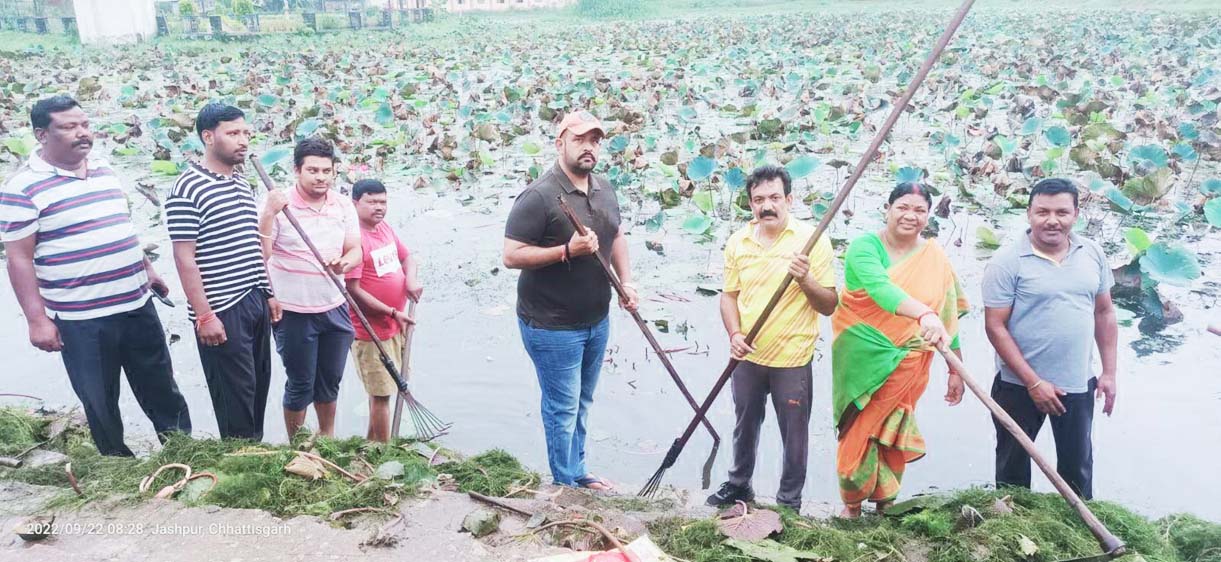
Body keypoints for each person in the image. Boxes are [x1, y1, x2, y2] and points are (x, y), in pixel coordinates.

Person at [0, 95, 191, 456]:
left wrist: (147, 269)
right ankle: (116, 464)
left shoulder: (104, 169)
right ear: (42, 134)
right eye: (69, 127)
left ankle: (182, 452)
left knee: (162, 387)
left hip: (135, 304)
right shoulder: (22, 188)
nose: (82, 133)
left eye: (84, 124)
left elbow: (121, 227)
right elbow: (19, 260)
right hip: (81, 320)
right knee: (100, 398)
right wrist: (37, 320)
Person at [502, 110, 638, 491]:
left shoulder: (604, 188)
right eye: (579, 139)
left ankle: (578, 471)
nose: (589, 147)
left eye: (595, 140)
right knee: (562, 408)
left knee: (583, 401)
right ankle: (565, 485)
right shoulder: (539, 196)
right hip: (551, 324)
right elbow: (511, 255)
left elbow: (618, 236)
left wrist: (626, 283)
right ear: (560, 142)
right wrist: (566, 250)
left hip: (597, 317)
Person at [705, 165, 838, 512]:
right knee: (744, 424)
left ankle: (789, 501)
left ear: (789, 199)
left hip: (792, 359)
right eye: (759, 199)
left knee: (794, 435)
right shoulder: (739, 241)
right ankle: (738, 485)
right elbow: (728, 296)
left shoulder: (812, 242)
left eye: (775, 198)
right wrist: (734, 333)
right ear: (751, 204)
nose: (767, 206)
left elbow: (829, 305)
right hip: (748, 354)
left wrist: (805, 279)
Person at [832, 182, 968, 518]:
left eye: (919, 210)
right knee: (859, 427)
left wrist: (955, 369)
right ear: (887, 209)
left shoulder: (934, 257)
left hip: (911, 358)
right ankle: (851, 505)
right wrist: (923, 312)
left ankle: (885, 502)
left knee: (894, 427)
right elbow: (880, 289)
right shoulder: (864, 247)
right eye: (903, 207)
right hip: (863, 354)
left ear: (928, 215)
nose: (910, 216)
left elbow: (948, 316)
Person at [983, 177, 1118, 500]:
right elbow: (995, 327)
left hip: (1077, 382)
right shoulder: (1007, 261)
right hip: (1018, 386)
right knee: (1012, 472)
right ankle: (1014, 536)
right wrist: (1033, 382)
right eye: (1042, 212)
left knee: (1078, 468)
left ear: (1076, 215)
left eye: (1062, 212)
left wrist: (1110, 373)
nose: (1052, 221)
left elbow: (1105, 313)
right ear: (1029, 213)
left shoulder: (1092, 253)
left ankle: (1081, 532)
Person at [167, 103, 280, 441]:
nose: (242, 140)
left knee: (258, 387)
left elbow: (249, 247)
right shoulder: (187, 188)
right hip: (221, 307)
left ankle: (255, 454)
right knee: (235, 396)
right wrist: (204, 316)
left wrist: (269, 291)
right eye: (233, 133)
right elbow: (185, 259)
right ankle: (239, 464)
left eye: (245, 133)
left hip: (253, 298)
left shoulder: (240, 183)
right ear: (208, 136)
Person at [260, 137, 361, 438]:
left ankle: (327, 439)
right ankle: (297, 444)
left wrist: (343, 261)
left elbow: (356, 249)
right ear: (297, 170)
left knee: (330, 381)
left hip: (334, 304)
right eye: (313, 170)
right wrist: (268, 213)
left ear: (334, 172)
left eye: (326, 171)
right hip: (294, 311)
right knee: (300, 382)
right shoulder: (280, 205)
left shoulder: (342, 204)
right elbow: (261, 254)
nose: (320, 177)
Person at [344, 179, 423, 443]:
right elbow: (353, 289)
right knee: (381, 395)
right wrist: (391, 311)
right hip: (370, 331)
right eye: (372, 202)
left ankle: (371, 444)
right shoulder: (355, 239)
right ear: (356, 203)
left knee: (387, 388)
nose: (379, 208)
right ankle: (386, 453)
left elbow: (407, 257)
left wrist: (410, 280)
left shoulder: (384, 228)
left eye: (383, 202)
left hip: (395, 325)